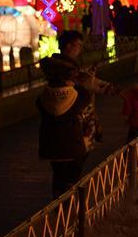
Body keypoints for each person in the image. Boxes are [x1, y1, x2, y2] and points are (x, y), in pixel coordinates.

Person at [37, 62, 97, 197]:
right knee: (73, 174)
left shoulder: (43, 95)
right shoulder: (76, 95)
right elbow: (86, 99)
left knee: (58, 174)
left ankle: (58, 202)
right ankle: (70, 203)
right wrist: (78, 85)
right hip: (72, 143)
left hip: (51, 144)